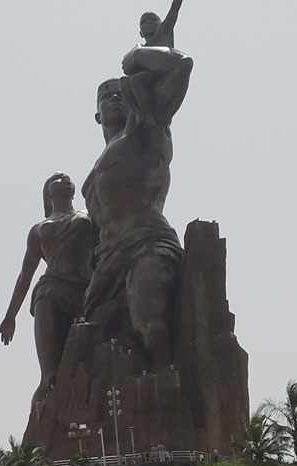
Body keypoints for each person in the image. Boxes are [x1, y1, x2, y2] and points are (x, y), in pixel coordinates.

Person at [83, 45, 193, 368]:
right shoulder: (94, 173)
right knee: (93, 344)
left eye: (120, 92)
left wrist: (138, 57)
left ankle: (168, 391)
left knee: (149, 320)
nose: (114, 98)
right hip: (107, 263)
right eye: (106, 97)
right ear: (96, 115)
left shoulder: (146, 127)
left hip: (147, 243)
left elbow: (181, 66)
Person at [0, 173, 97, 407]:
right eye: (55, 178)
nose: (63, 176)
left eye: (66, 177)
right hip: (50, 294)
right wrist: (11, 316)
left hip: (87, 292)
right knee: (50, 376)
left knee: (91, 365)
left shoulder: (90, 218)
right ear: (47, 194)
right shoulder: (39, 229)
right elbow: (25, 276)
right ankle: (37, 437)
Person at [121, 0, 184, 127]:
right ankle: (140, 113)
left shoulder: (164, 33)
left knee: (136, 80)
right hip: (147, 79)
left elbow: (174, 9)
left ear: (161, 24)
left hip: (165, 75)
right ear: (140, 33)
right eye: (144, 22)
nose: (148, 23)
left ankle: (149, 115)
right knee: (124, 82)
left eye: (153, 20)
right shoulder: (140, 49)